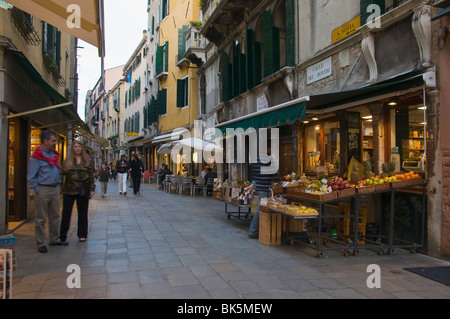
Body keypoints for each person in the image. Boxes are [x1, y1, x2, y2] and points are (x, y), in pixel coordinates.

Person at [27, 130, 64, 253]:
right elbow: (31, 176)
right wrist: (37, 189)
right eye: (53, 141)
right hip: (43, 188)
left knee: (55, 215)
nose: (54, 143)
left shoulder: (53, 154)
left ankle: (54, 239)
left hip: (54, 188)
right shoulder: (36, 156)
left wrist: (58, 183)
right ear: (45, 141)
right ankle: (41, 243)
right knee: (40, 217)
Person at [59, 141, 95, 244]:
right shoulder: (68, 161)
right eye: (75, 146)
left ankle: (82, 234)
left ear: (82, 148)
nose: (78, 148)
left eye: (79, 146)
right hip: (69, 191)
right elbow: (61, 174)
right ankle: (63, 236)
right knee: (66, 214)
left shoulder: (87, 161)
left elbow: (91, 176)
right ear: (73, 148)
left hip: (82, 191)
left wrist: (92, 189)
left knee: (83, 213)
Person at [248, 147, 279, 239]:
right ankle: (253, 230)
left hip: (258, 186)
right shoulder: (268, 160)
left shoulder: (256, 159)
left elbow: (252, 173)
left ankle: (259, 229)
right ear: (268, 148)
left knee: (260, 209)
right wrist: (278, 181)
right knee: (260, 209)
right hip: (264, 188)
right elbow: (274, 173)